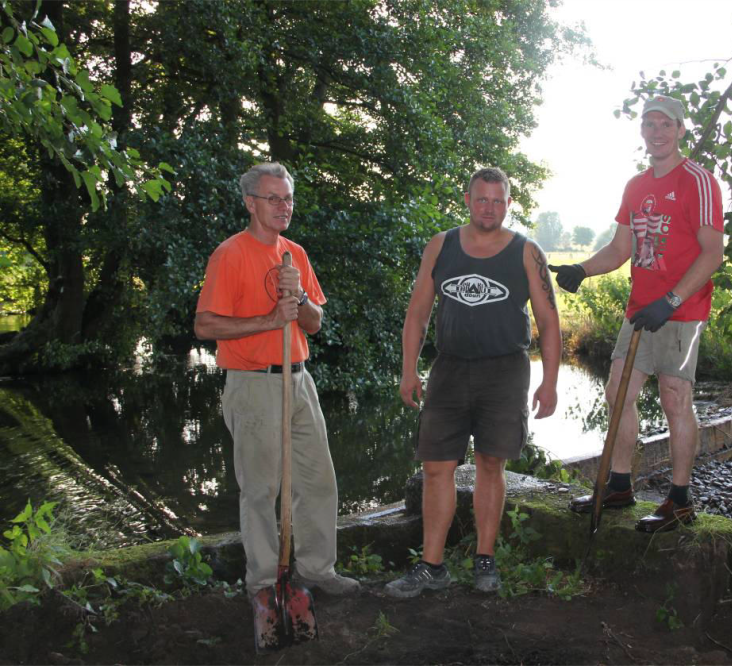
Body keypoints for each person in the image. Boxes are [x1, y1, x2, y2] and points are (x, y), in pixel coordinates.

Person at [550, 95, 724, 532]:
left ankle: (679, 500)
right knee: (616, 392)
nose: (658, 132)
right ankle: (620, 485)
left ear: (681, 130)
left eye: (666, 124)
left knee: (674, 397)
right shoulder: (636, 185)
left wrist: (671, 301)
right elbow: (621, 249)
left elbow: (712, 254)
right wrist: (582, 270)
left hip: (681, 312)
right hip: (640, 311)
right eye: (650, 125)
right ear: (642, 132)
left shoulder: (698, 181)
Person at [385, 167, 561, 597]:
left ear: (508, 204)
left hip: (505, 370)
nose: (489, 207)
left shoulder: (526, 251)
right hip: (449, 368)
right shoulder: (441, 246)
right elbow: (417, 313)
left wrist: (549, 381)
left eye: (498, 200)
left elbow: (549, 320)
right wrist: (409, 370)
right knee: (436, 467)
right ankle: (432, 565)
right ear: (467, 199)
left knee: (490, 463)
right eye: (482, 199)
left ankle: (485, 560)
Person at [194, 162, 358, 597]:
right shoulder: (230, 254)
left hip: (299, 380)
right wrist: (269, 319)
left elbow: (316, 323)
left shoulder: (295, 254)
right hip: (253, 384)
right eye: (273, 198)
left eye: (287, 198)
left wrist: (299, 296)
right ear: (251, 203)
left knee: (318, 480)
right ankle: (265, 583)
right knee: (261, 491)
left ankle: (318, 570)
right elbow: (205, 325)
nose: (283, 206)